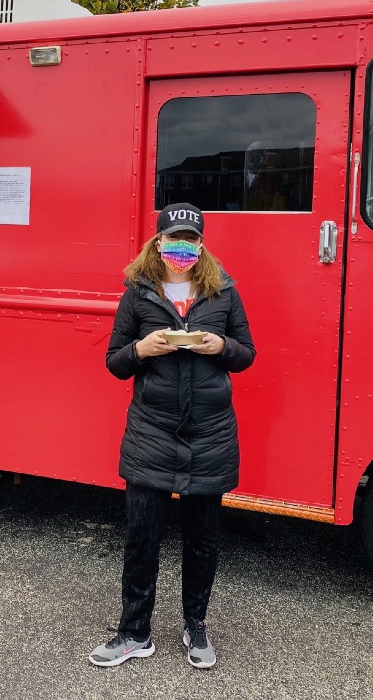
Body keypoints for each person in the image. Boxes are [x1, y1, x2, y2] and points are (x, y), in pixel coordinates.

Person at [89, 202, 256, 669]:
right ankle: (133, 632)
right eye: (173, 239)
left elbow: (247, 355)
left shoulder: (223, 292)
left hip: (210, 434)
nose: (181, 248)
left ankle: (196, 625)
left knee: (202, 539)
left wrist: (222, 345)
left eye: (190, 240)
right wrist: (141, 348)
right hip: (151, 433)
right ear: (157, 242)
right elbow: (115, 361)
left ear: (201, 245)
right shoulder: (138, 294)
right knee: (141, 538)